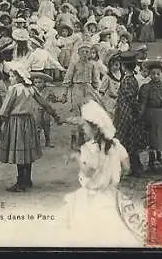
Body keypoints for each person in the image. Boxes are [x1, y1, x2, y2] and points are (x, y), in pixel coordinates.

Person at [63, 100, 135, 246]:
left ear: (95, 129)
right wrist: (113, 172)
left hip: (93, 194)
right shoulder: (116, 144)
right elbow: (127, 167)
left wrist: (76, 157)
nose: (83, 129)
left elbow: (88, 172)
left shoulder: (88, 148)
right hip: (112, 193)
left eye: (85, 126)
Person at [0, 64, 62, 192]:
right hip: (29, 121)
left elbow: (5, 109)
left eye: (11, 76)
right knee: (27, 151)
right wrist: (55, 115)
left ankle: (20, 182)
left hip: (16, 122)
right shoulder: (31, 89)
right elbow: (44, 103)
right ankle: (28, 179)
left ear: (19, 78)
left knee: (19, 151)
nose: (10, 79)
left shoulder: (14, 89)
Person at [61, 43, 101, 150]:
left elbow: (96, 81)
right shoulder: (74, 64)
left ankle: (84, 137)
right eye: (82, 51)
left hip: (88, 90)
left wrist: (97, 92)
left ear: (90, 54)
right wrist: (65, 94)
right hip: (77, 89)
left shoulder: (92, 65)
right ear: (78, 53)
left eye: (87, 52)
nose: (84, 54)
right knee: (76, 113)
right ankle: (74, 138)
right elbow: (67, 79)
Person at [138, 57, 162, 174]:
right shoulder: (146, 87)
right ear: (149, 74)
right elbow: (143, 103)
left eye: (158, 74)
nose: (155, 76)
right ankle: (151, 162)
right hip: (151, 115)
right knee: (152, 139)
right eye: (153, 74)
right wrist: (141, 116)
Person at [31, 72, 59, 148]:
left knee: (47, 126)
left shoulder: (48, 90)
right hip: (36, 111)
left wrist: (56, 99)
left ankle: (48, 141)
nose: (37, 84)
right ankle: (36, 142)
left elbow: (54, 99)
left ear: (44, 83)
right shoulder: (32, 91)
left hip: (46, 111)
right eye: (35, 83)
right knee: (37, 127)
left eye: (40, 82)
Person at [99, 49, 121, 118]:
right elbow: (102, 91)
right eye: (115, 64)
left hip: (120, 101)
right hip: (110, 102)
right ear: (109, 66)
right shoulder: (107, 77)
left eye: (119, 64)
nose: (117, 66)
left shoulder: (122, 75)